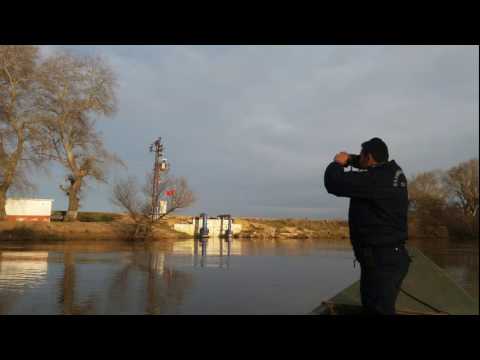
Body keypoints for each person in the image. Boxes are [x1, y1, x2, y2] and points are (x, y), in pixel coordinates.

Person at [324, 137, 411, 315]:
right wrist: (351, 159)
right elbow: (367, 164)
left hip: (382, 261)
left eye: (362, 155)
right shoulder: (393, 172)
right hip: (389, 257)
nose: (359, 159)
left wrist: (337, 163)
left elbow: (334, 182)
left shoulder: (374, 180)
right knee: (376, 308)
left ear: (369, 157)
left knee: (378, 311)